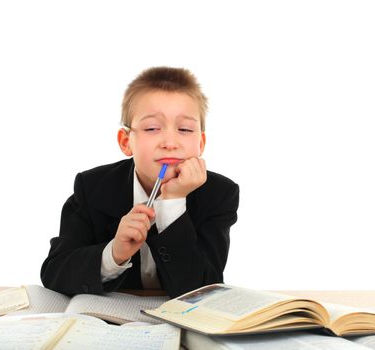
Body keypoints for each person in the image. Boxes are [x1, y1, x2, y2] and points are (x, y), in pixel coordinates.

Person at [41, 67, 239, 298]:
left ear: (201, 143)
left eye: (184, 129)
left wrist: (173, 205)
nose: (170, 142)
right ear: (126, 141)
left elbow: (205, 289)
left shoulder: (219, 194)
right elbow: (54, 273)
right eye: (152, 128)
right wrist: (114, 254)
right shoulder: (93, 186)